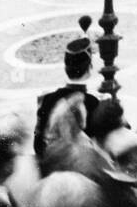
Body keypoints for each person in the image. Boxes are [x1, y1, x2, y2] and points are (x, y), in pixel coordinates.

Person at [33, 17, 103, 163]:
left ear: (65, 68)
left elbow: (38, 145)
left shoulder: (47, 99)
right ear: (89, 67)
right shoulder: (92, 103)